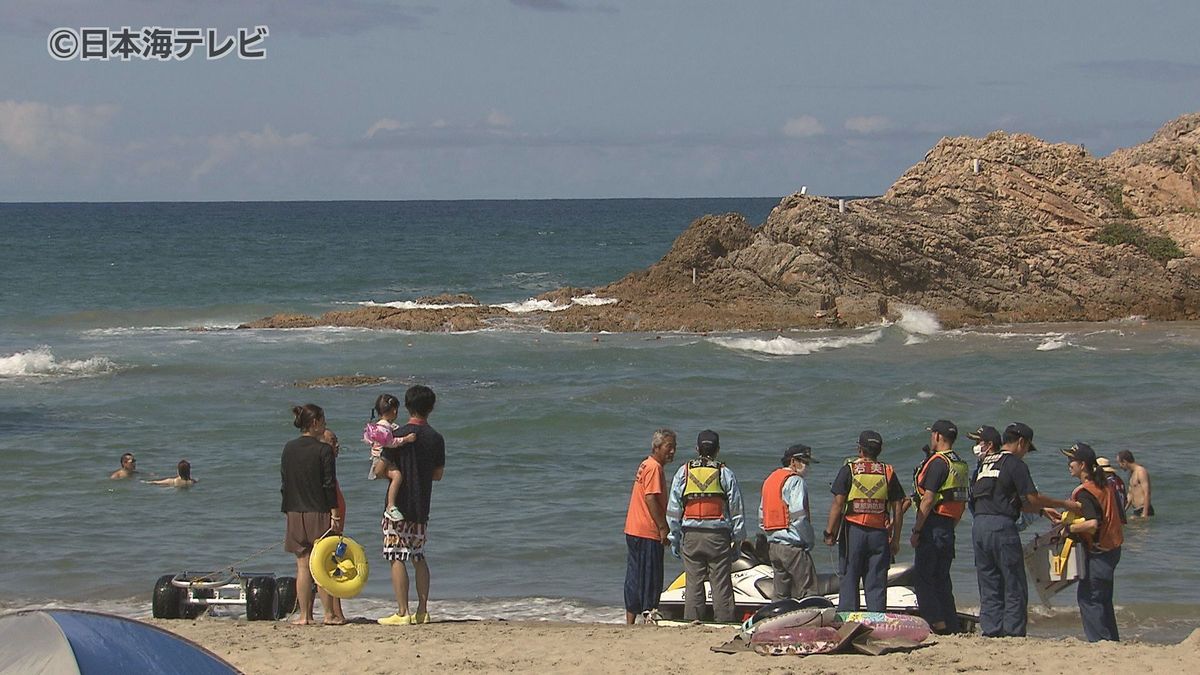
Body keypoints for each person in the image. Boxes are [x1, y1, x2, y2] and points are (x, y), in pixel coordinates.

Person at [969, 422, 1078, 637]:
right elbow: (1031, 498)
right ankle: (1013, 632)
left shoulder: (983, 464)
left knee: (989, 581)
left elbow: (980, 498)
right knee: (1014, 582)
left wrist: (1042, 511)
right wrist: (1063, 504)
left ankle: (991, 630)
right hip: (1002, 526)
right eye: (1027, 448)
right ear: (1021, 442)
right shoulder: (1015, 464)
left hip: (979, 525)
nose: (1026, 453)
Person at [378, 385, 446, 626]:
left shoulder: (396, 436)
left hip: (396, 506)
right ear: (431, 408)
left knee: (396, 556)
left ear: (407, 406)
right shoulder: (436, 438)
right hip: (421, 503)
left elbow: (380, 470)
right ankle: (423, 610)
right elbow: (437, 475)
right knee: (418, 556)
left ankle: (402, 611)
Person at [665, 429, 746, 622]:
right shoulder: (725, 473)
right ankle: (724, 620)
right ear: (717, 450)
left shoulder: (683, 472)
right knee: (721, 583)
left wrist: (674, 539)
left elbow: (673, 509)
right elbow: (736, 509)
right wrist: (738, 540)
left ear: (696, 448)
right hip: (718, 536)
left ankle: (692, 619)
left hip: (691, 536)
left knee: (693, 582)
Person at [823, 430, 905, 612]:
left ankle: (848, 618)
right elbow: (898, 508)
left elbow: (838, 504)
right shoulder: (888, 472)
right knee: (876, 580)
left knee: (850, 578)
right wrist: (896, 539)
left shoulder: (849, 470)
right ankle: (876, 621)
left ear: (859, 449)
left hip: (853, 531)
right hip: (879, 533)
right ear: (880, 450)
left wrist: (830, 532)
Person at [1053, 443, 1124, 642]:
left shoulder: (1085, 491)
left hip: (1100, 552)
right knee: (1103, 599)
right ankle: (1111, 640)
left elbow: (1092, 523)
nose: (1068, 464)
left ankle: (1099, 642)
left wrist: (1069, 529)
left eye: (1071, 460)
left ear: (1082, 465)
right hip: (1113, 548)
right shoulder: (1104, 484)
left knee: (1089, 599)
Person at [280, 403, 342, 626]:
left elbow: (285, 483)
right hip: (319, 511)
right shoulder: (323, 450)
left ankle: (305, 616)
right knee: (323, 564)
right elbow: (328, 485)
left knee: (303, 566)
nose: (325, 425)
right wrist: (335, 514)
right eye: (323, 421)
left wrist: (287, 511)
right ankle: (329, 614)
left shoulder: (289, 448)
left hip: (295, 511)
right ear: (315, 423)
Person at [910, 420, 968, 634]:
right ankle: (950, 623)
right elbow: (961, 501)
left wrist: (917, 530)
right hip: (949, 526)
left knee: (923, 578)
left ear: (937, 436)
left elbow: (928, 499)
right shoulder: (960, 464)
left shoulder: (938, 462)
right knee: (942, 579)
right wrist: (951, 525)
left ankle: (935, 623)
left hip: (933, 526)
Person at [623, 428, 677, 624]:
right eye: (668, 447)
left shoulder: (645, 464)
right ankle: (649, 614)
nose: (672, 452)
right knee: (650, 576)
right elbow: (651, 498)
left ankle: (630, 619)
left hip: (633, 528)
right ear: (657, 447)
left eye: (674, 448)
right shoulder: (654, 467)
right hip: (647, 530)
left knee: (635, 575)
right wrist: (663, 527)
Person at [759, 444, 819, 600]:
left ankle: (778, 621)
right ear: (793, 461)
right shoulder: (796, 481)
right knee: (808, 592)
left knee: (780, 594)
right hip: (793, 546)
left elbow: (761, 516)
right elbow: (799, 517)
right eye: (804, 461)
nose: (807, 467)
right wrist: (809, 541)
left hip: (774, 546)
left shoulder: (770, 480)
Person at [363, 393, 417, 522]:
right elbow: (390, 443)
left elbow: (368, 439)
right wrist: (406, 439)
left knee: (394, 478)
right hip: (381, 460)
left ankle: (391, 505)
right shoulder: (384, 429)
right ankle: (391, 506)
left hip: (376, 459)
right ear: (394, 410)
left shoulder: (378, 426)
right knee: (397, 476)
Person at [320, 429, 349, 625]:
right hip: (329, 522)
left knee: (336, 566)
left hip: (337, 524)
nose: (336, 445)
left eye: (337, 441)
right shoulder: (323, 467)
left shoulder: (330, 468)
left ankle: (338, 612)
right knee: (327, 567)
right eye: (332, 441)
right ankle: (330, 613)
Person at [1117, 450, 1153, 517]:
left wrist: (1145, 513)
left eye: (1119, 463)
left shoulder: (1141, 471)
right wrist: (1123, 511)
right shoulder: (1131, 474)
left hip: (1143, 508)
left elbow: (1147, 492)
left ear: (1124, 462)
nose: (1119, 466)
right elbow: (1130, 495)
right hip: (1136, 510)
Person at [1097, 458, 1128, 523]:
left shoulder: (1107, 484)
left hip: (1113, 520)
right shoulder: (1119, 480)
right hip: (1122, 517)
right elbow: (1125, 500)